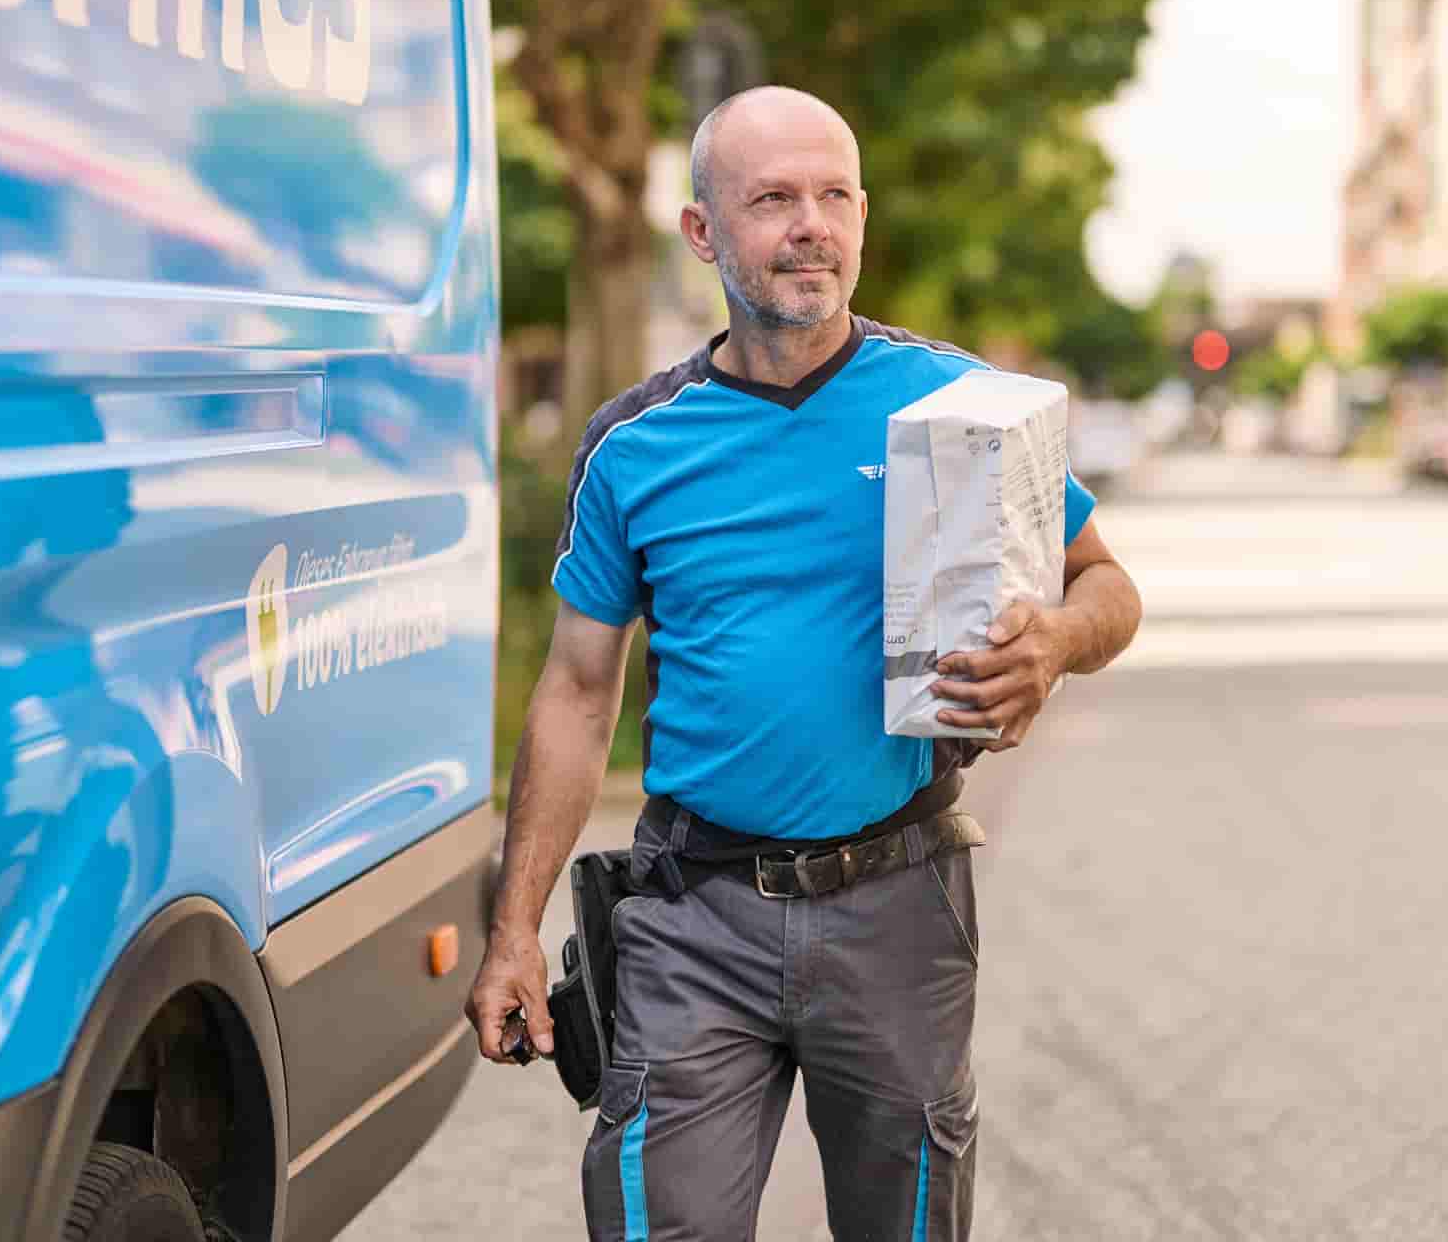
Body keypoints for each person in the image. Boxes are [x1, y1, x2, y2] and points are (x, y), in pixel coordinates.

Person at [465, 86, 1143, 1241]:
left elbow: (1107, 586)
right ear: (702, 232)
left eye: (833, 196)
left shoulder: (955, 404)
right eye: (772, 198)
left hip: (897, 901)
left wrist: (1060, 644)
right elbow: (579, 689)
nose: (809, 225)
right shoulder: (636, 443)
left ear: (864, 219)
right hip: (691, 912)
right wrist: (517, 926)